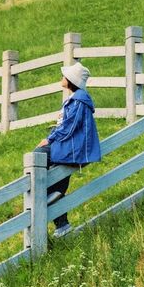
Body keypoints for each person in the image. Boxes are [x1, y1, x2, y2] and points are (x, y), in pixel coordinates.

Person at [35, 62, 101, 237]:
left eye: (64, 76)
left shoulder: (79, 100)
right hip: (68, 144)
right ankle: (62, 225)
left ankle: (42, 196)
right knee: (56, 185)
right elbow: (64, 125)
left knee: (39, 155)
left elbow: (70, 127)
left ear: (71, 80)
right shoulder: (73, 100)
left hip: (73, 147)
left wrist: (50, 139)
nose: (62, 78)